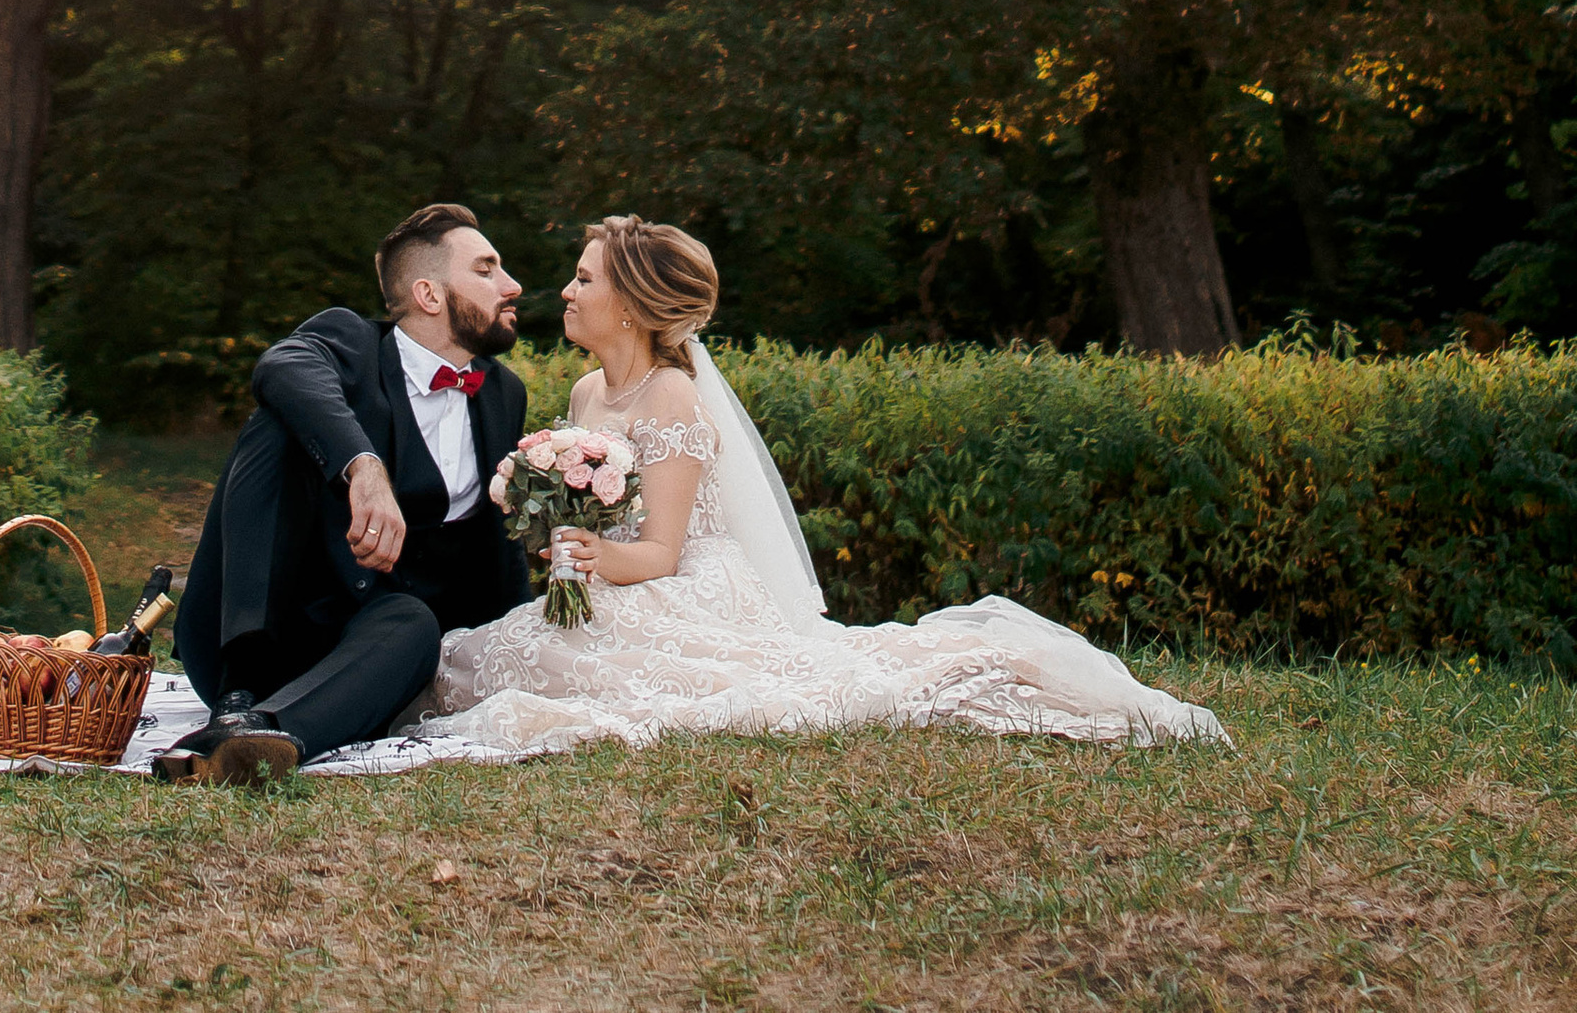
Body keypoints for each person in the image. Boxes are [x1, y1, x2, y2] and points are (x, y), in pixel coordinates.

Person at [412, 214, 1226, 758]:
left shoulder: (672, 396)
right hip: (612, 580)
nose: (566, 291)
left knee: (561, 663)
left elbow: (659, 552)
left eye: (585, 280)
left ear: (628, 305)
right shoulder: (588, 393)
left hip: (679, 585)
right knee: (500, 653)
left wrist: (593, 558)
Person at [161, 202, 533, 783]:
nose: (511, 286)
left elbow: (496, 544)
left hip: (369, 652)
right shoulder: (352, 343)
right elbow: (281, 366)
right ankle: (241, 694)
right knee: (277, 423)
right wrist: (364, 467)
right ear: (429, 295)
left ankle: (253, 740)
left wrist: (524, 638)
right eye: (486, 270)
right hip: (268, 631)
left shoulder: (503, 394)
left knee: (414, 622)